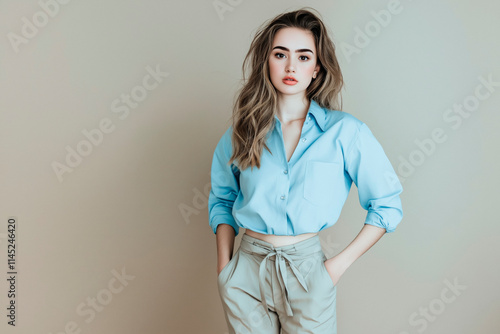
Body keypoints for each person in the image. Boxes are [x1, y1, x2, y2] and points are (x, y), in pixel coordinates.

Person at [208, 7, 403, 334]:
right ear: (266, 62)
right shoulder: (241, 132)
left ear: (316, 68)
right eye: (280, 54)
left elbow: (387, 206)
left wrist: (333, 270)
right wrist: (225, 269)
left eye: (303, 57)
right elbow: (221, 200)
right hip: (246, 271)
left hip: (308, 272)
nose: (290, 66)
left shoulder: (345, 132)